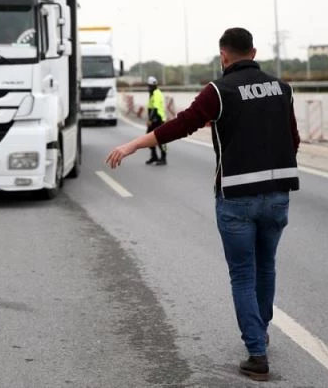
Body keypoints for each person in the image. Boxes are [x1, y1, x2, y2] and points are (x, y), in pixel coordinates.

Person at [106, 27, 300, 381]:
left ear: (223, 55)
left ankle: (257, 354)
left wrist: (134, 145)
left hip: (236, 197)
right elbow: (293, 139)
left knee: (243, 274)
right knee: (266, 266)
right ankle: (262, 332)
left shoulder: (218, 91)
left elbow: (182, 125)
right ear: (254, 52)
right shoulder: (282, 89)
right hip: (277, 195)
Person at [145, 76, 168, 165]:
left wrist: (150, 119)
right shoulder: (152, 94)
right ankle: (154, 156)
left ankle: (163, 158)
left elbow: (155, 109)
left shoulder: (156, 93)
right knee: (149, 138)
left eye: (150, 86)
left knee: (161, 139)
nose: (148, 88)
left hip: (158, 120)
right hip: (154, 120)